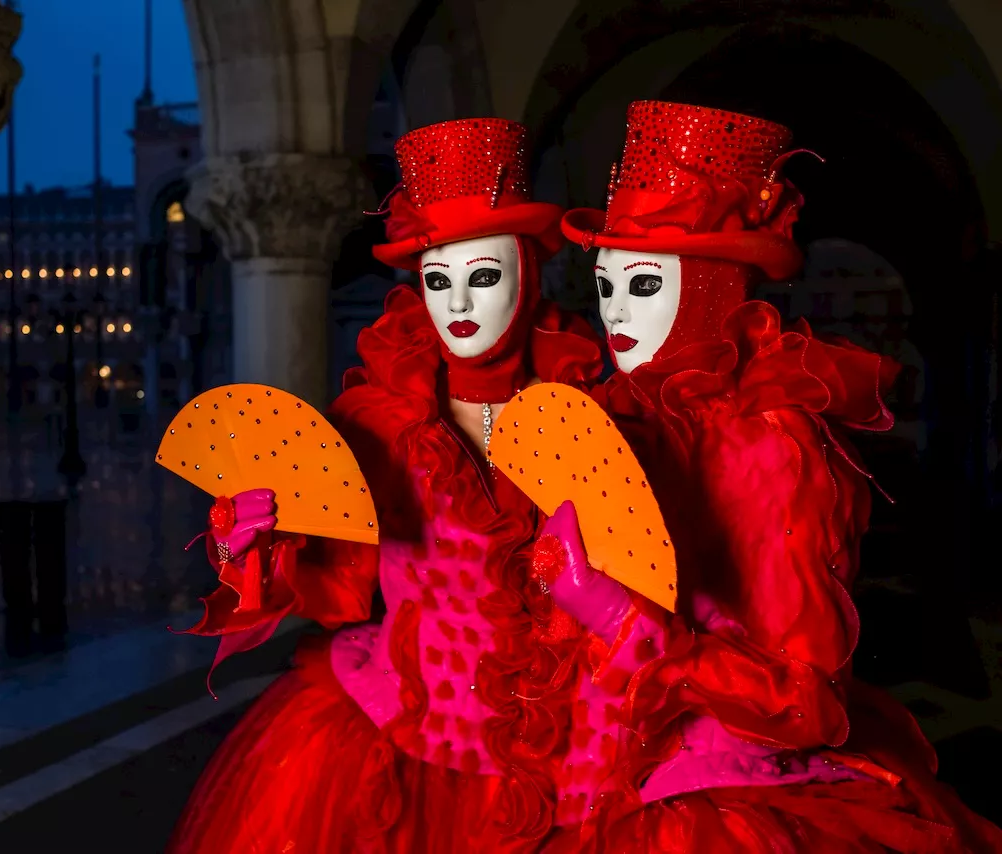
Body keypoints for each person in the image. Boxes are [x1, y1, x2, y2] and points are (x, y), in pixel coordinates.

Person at [540, 100, 1002, 852]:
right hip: (591, 778)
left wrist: (625, 621)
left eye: (646, 284)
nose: (617, 310)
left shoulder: (770, 444)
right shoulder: (613, 420)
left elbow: (804, 701)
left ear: (715, 286)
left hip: (713, 800)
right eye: (607, 284)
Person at [166, 118, 614, 852]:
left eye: (484, 276)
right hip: (399, 731)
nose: (459, 304)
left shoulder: (587, 411)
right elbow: (324, 579)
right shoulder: (381, 417)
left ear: (528, 272)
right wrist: (253, 542)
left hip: (558, 746)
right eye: (438, 280)